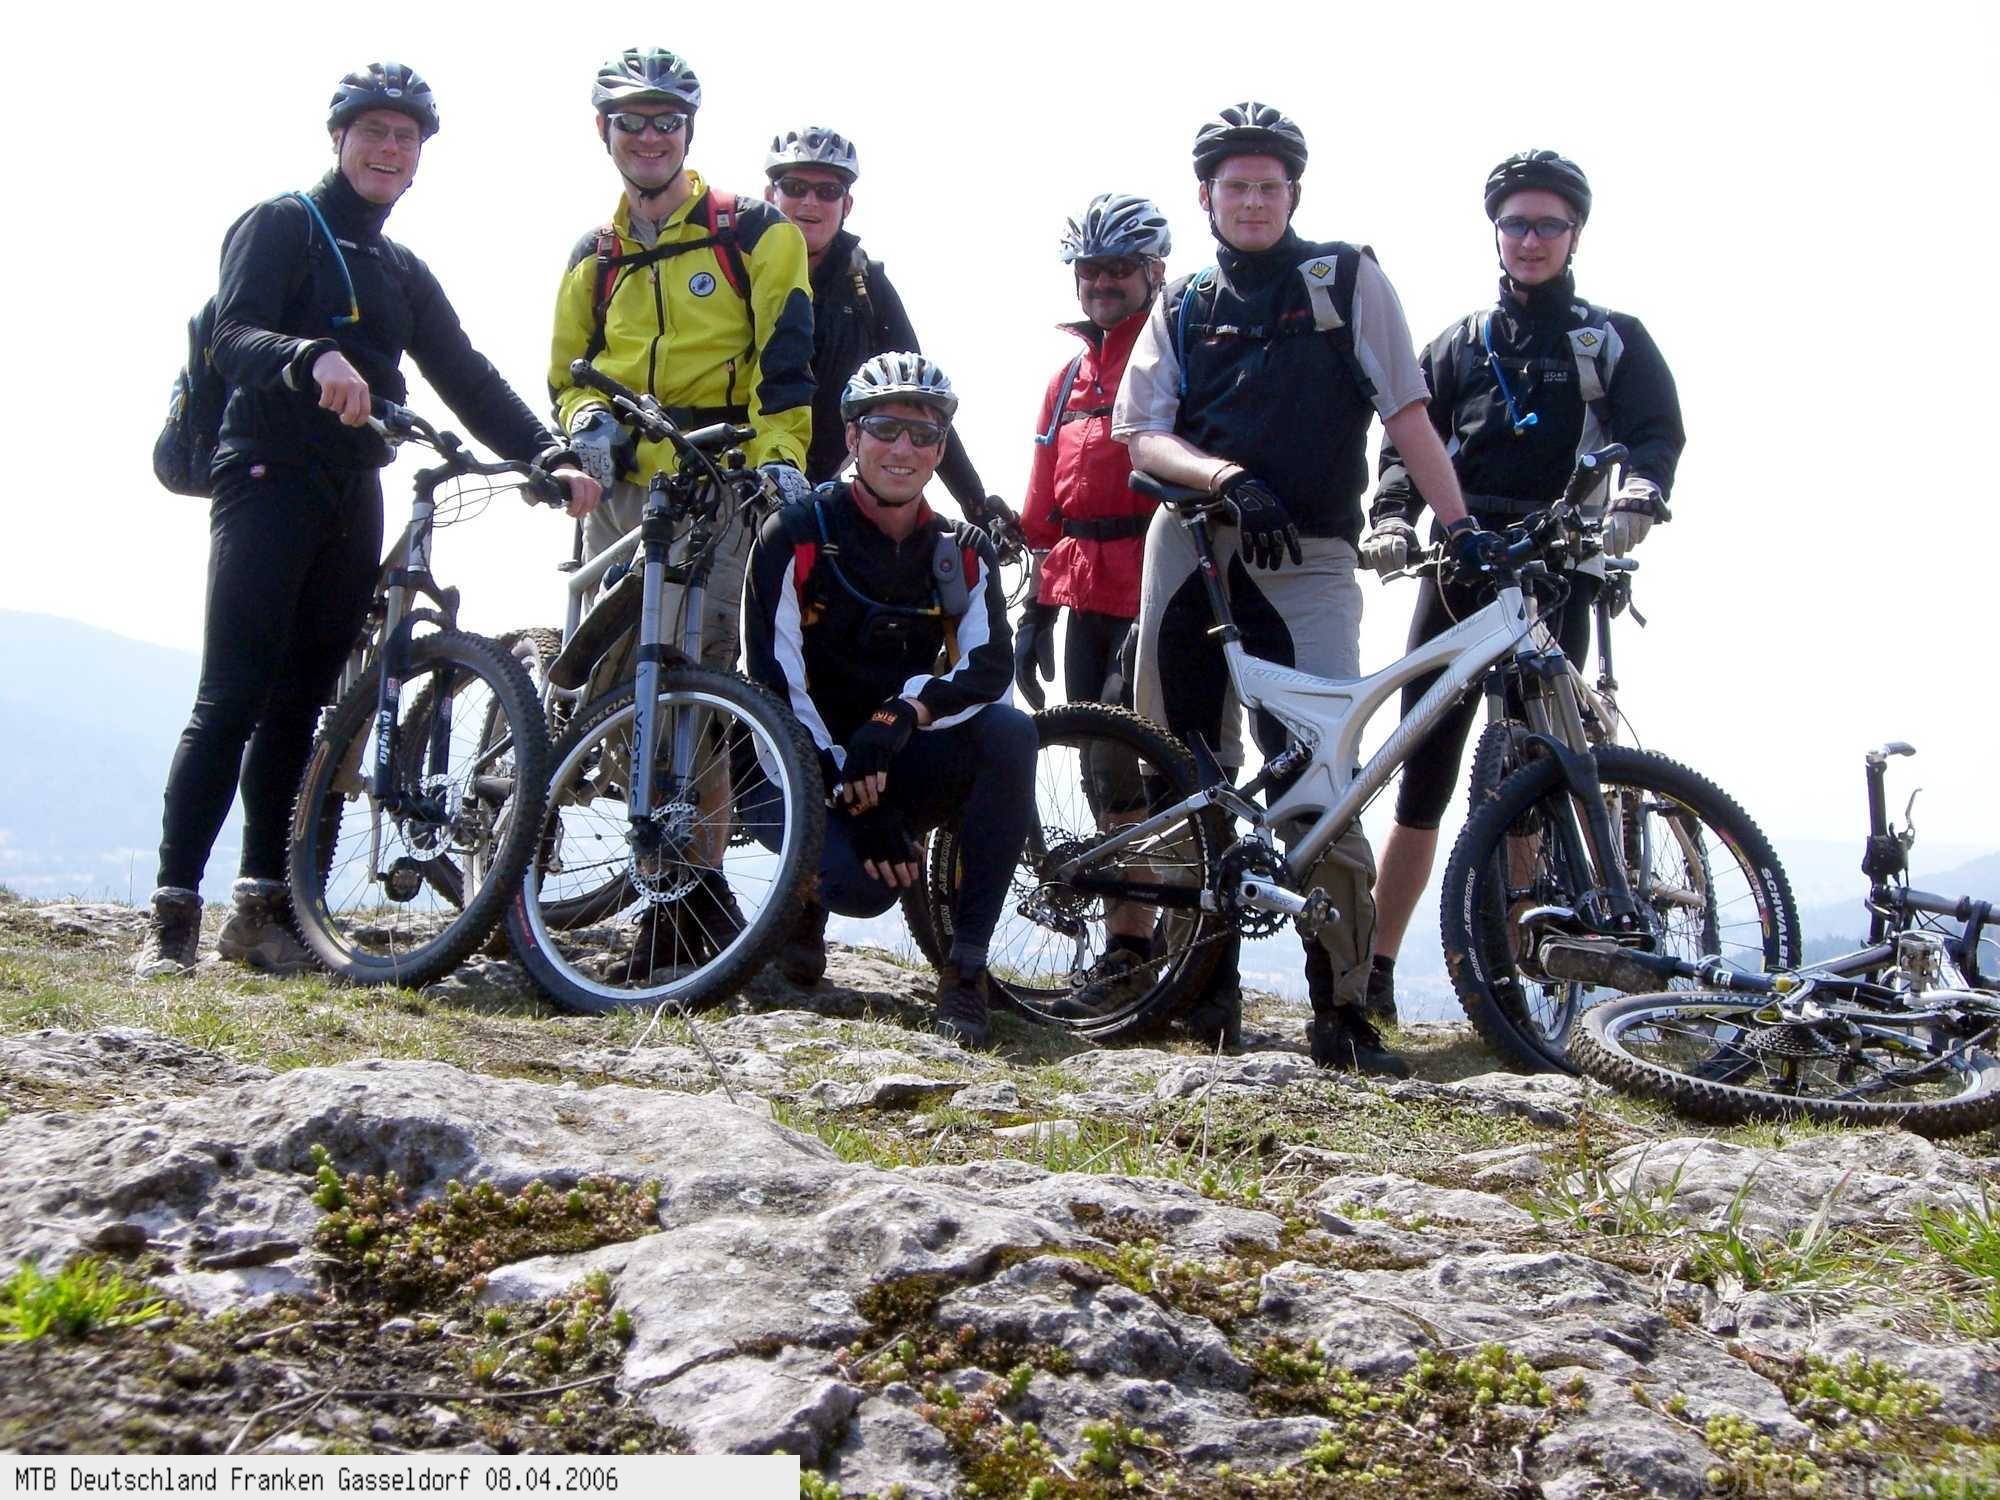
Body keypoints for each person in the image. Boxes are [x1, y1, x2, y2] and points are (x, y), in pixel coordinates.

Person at [133, 63, 599, 978]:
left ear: (420, 157)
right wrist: (312, 357)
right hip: (265, 473)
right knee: (232, 695)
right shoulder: (281, 224)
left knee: (302, 704)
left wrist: (546, 455)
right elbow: (234, 334)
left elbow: (464, 373)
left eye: (405, 138)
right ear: (338, 139)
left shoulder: (398, 268)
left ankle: (260, 911)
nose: (389, 149)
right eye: (374, 132)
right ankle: (171, 916)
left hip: (355, 486)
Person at [1112, 102, 1481, 1076]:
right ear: (1205, 196)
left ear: (1294, 193)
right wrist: (1223, 477)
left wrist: (1459, 528)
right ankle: (1201, 986)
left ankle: (1342, 1009)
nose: (1251, 201)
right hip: (1192, 544)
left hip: (1308, 555)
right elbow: (1140, 434)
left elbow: (1406, 412)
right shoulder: (1184, 299)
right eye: (1234, 186)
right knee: (1183, 764)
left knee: (1320, 771)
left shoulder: (1345, 279)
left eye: (1267, 186)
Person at [1360, 149, 1686, 1023]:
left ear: (1575, 233)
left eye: (1548, 225)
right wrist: (1390, 515)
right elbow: (1405, 440)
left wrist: (1641, 497)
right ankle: (1376, 970)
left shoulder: (1609, 339)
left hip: (1556, 571)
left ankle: (1518, 981)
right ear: (1496, 233)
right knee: (1423, 775)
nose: (1530, 240)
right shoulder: (1460, 344)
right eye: (1516, 224)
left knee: (1532, 783)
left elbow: (1656, 433)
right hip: (1459, 571)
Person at [742, 354, 1036, 1048]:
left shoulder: (960, 552)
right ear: (852, 437)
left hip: (890, 757)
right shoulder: (795, 534)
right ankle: (802, 903)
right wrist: (847, 792)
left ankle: (965, 971)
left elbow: (989, 666)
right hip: (790, 766)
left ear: (940, 449)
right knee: (862, 887)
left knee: (1011, 735)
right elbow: (773, 684)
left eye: (924, 434)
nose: (903, 449)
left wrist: (902, 714)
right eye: (884, 429)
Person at [549, 48, 813, 674]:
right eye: (630, 121)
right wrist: (587, 420)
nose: (650, 137)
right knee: (605, 675)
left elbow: (784, 368)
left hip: (717, 482)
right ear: (603, 129)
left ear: (689, 130)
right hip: (621, 489)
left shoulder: (755, 232)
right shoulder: (594, 256)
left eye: (666, 121)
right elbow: (566, 377)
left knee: (703, 661)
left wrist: (779, 457)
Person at [1014, 192, 1173, 1012]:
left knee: (1152, 764)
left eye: (1118, 269)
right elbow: (1045, 502)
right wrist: (1035, 608)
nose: (1102, 283)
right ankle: (1131, 946)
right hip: (1084, 588)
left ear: (1154, 272)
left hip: (1158, 579)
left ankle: (1155, 947)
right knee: (1098, 765)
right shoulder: (1070, 376)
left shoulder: (1173, 352)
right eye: (1090, 270)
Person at [762, 126, 1002, 523]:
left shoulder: (865, 285)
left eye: (828, 191)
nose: (810, 201)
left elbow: (921, 397)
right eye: (795, 187)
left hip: (816, 495)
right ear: (770, 195)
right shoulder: (734, 273)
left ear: (847, 204)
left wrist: (975, 504)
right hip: (734, 484)